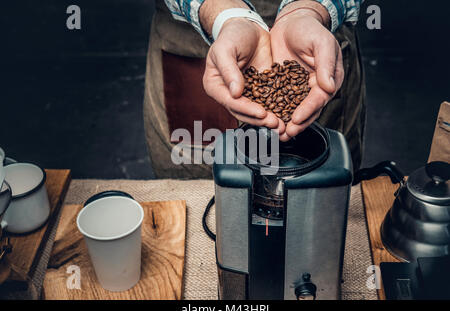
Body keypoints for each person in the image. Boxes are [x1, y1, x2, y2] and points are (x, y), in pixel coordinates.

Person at [144, 0, 365, 179]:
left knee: (318, 177)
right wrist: (221, 13)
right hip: (192, 42)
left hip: (314, 50)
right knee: (198, 183)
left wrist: (308, 9)